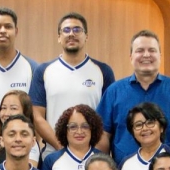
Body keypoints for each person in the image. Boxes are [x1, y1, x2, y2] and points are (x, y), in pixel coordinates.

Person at [97, 30, 170, 164]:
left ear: (160, 55)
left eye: (152, 50)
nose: (146, 55)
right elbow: (103, 135)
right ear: (130, 57)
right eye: (140, 50)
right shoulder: (114, 92)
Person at [30, 12, 115, 159]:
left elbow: (108, 118)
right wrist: (60, 146)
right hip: (54, 153)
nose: (71, 34)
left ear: (86, 36)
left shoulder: (103, 71)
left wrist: (95, 151)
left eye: (77, 30)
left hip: (92, 156)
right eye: (66, 30)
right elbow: (37, 116)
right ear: (59, 37)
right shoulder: (43, 71)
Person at [0, 7, 39, 105]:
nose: (3, 31)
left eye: (8, 26)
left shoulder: (33, 68)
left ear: (16, 31)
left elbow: (37, 110)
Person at [0, 89, 41, 168]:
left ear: (25, 112)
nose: (6, 113)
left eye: (13, 108)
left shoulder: (28, 143)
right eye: (3, 108)